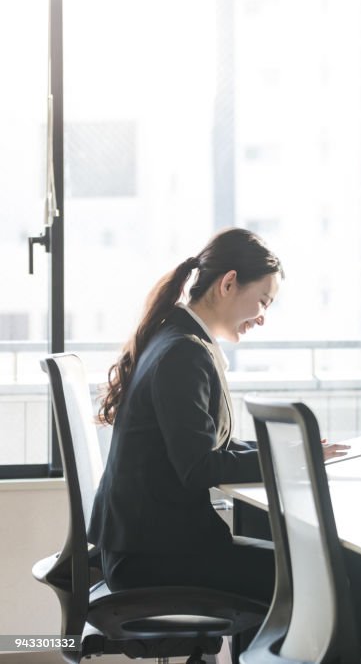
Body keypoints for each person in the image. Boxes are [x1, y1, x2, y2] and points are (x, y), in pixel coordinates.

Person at [90, 228, 347, 604]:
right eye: (263, 300)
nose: (262, 318)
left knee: (305, 564)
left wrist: (292, 452)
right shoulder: (184, 353)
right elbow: (199, 468)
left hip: (143, 547)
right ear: (229, 284)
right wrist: (294, 461)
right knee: (318, 571)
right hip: (150, 558)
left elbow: (208, 446)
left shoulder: (176, 338)